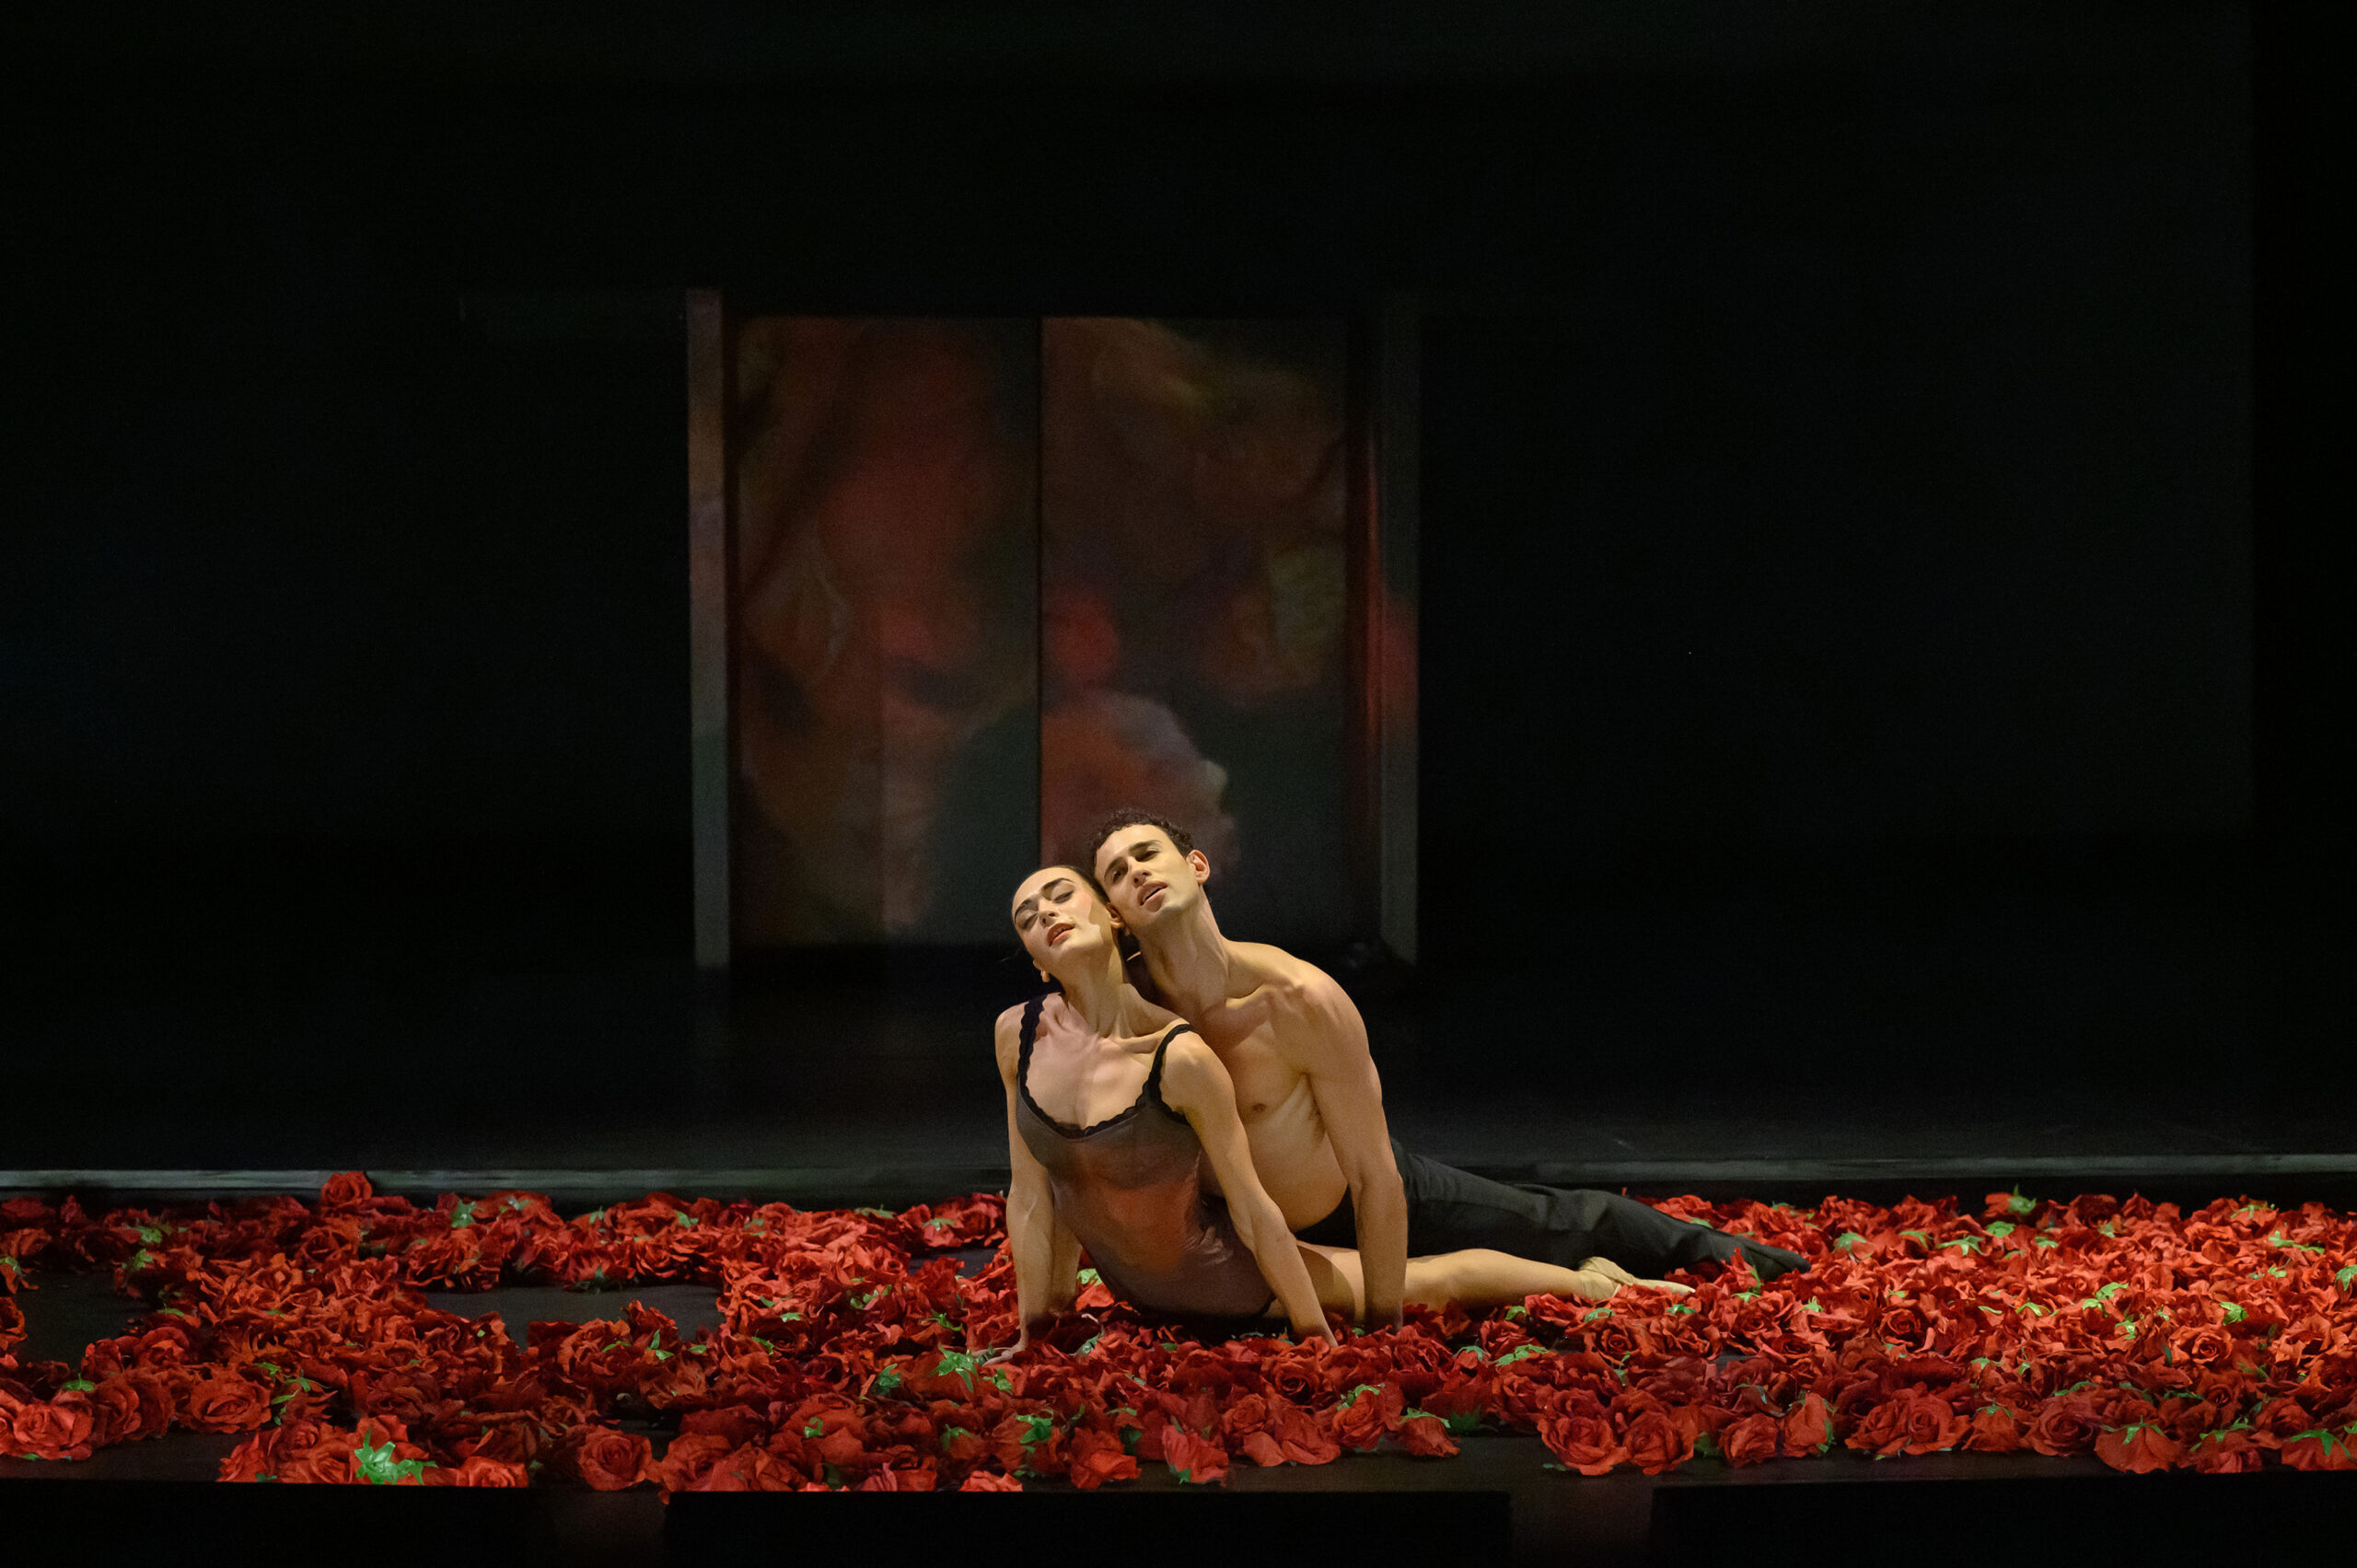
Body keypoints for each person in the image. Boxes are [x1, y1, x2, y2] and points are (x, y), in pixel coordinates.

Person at [1086, 810, 1809, 1330]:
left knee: (1558, 1221)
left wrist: (1384, 1327)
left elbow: (1374, 1176)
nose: (1137, 872)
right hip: (1259, 1238)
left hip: (1370, 1196)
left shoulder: (1297, 998)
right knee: (1464, 1275)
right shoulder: (1124, 1018)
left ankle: (1765, 1264)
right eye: (1117, 873)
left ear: (1197, 865)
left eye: (1148, 853)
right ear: (1114, 915)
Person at [992, 866, 1688, 1357]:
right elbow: (1037, 1191)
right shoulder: (1018, 1035)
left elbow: (1271, 1202)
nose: (1046, 914)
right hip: (1156, 1279)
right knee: (1439, 1269)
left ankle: (1599, 1281)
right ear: (1033, 957)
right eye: (1028, 917)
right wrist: (1038, 1325)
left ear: (1110, 918)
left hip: (1262, 1251)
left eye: (1061, 895)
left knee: (1451, 1270)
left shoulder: (1191, 1045)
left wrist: (1317, 1339)